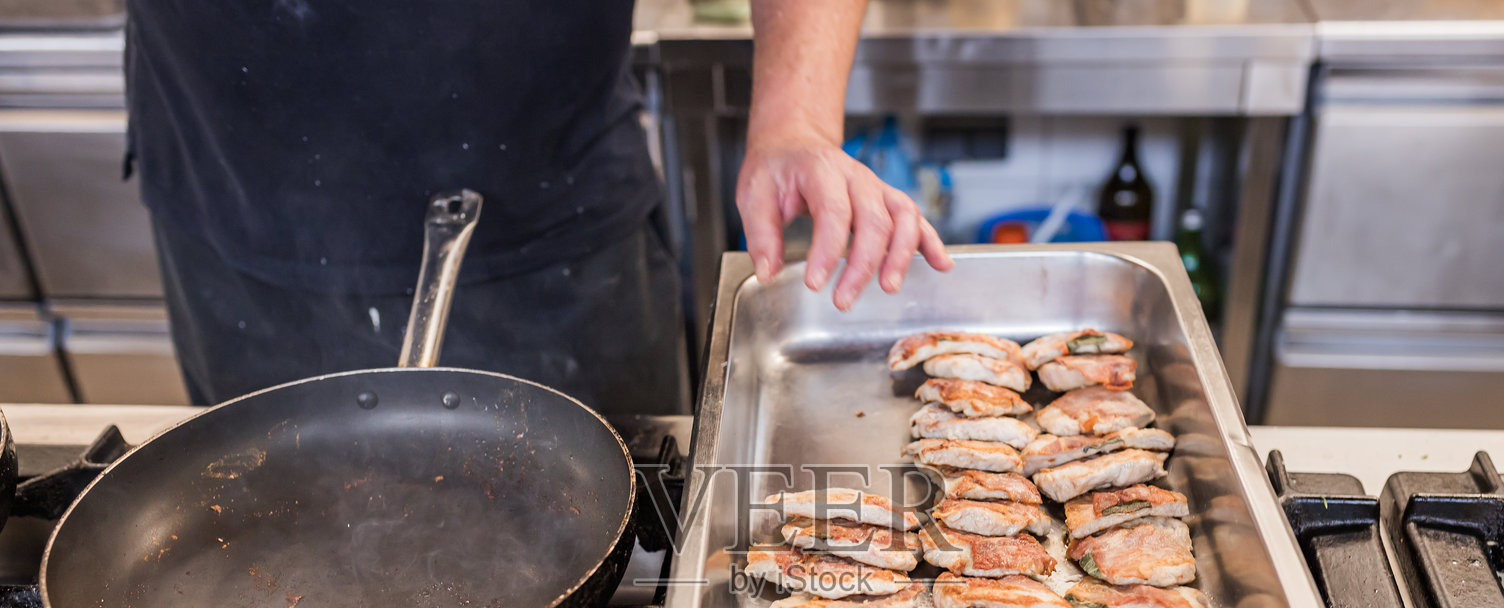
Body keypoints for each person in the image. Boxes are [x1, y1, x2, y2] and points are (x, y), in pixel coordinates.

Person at [123, 0, 952, 412]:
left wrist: (795, 120)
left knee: (615, 574)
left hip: (558, 231)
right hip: (232, 207)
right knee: (271, 561)